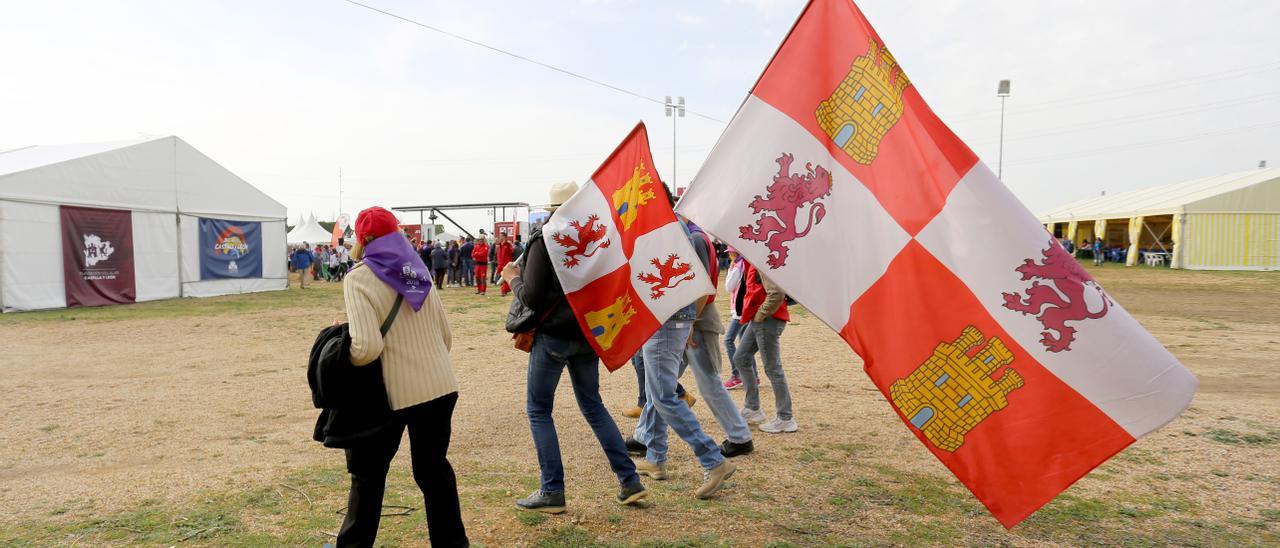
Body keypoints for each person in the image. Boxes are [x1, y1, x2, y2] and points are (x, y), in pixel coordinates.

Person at [503, 181, 648, 513]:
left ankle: (552, 490)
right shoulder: (598, 236)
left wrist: (513, 277)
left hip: (554, 335)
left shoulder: (547, 237)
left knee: (539, 410)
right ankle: (630, 480)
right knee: (594, 406)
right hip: (587, 332)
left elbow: (533, 297)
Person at [336, 206, 468, 547]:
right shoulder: (417, 268)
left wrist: (340, 349)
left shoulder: (358, 278)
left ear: (362, 241)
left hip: (394, 394)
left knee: (368, 477)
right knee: (434, 472)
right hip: (440, 385)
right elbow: (446, 336)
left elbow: (365, 348)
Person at [632, 186, 736, 499]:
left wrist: (688, 320)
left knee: (663, 395)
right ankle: (655, 458)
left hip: (666, 318)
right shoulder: (670, 228)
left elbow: (694, 281)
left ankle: (713, 460)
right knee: (656, 391)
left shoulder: (667, 230)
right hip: (667, 317)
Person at [632, 219, 754, 460]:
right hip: (686, 321)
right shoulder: (693, 235)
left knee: (707, 383)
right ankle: (644, 436)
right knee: (659, 386)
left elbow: (701, 286)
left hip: (694, 321)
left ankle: (740, 437)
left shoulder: (695, 238)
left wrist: (692, 322)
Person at [734, 261, 796, 433]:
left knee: (773, 368)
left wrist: (761, 314)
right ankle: (753, 408)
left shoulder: (761, 261)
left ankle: (785, 417)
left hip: (767, 319)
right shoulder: (754, 261)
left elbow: (776, 293)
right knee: (741, 358)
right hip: (760, 319)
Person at [722, 248, 757, 390]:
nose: (729, 255)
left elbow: (728, 287)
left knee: (728, 340)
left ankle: (736, 376)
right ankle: (753, 376)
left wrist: (730, 270)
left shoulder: (737, 267)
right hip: (745, 308)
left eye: (730, 252)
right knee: (744, 344)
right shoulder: (746, 264)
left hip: (739, 311)